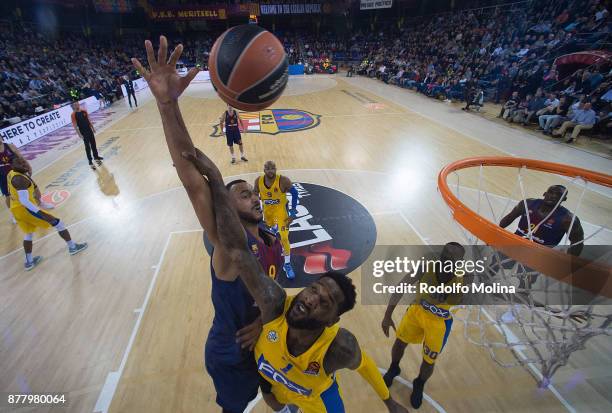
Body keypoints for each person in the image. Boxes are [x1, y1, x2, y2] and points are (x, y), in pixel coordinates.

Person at [183, 147, 409, 413]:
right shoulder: (272, 317)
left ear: (332, 320)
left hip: (317, 403)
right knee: (273, 398)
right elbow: (238, 251)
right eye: (313, 289)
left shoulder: (339, 347)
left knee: (281, 247)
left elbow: (366, 367)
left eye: (325, 302)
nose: (313, 299)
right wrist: (213, 179)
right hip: (276, 390)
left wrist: (390, 403)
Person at [131, 36, 282, 413]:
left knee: (278, 397)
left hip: (267, 336)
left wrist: (268, 318)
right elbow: (190, 175)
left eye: (254, 193)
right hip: (232, 350)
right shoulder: (225, 246)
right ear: (225, 207)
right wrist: (168, 105)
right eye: (244, 194)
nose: (255, 196)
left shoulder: (271, 236)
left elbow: (273, 286)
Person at [381, 243, 465, 409]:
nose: (446, 261)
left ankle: (419, 383)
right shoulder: (426, 267)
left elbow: (460, 298)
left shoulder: (463, 279)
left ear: (459, 263)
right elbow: (401, 286)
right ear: (440, 255)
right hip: (417, 313)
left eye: (452, 259)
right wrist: (387, 315)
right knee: (399, 342)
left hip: (439, 323)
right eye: (444, 256)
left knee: (429, 360)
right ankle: (394, 368)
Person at [8, 157, 87, 270]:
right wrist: (41, 212)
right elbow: (24, 201)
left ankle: (29, 262)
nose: (23, 164)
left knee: (28, 233)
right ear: (13, 166)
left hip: (16, 209)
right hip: (26, 209)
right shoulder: (19, 179)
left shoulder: (11, 173)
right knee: (58, 223)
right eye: (20, 163)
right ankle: (73, 247)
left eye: (24, 161)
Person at [499, 185, 584, 256]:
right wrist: (495, 234)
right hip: (515, 244)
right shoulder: (527, 204)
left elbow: (577, 243)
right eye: (551, 192)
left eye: (558, 195)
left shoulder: (568, 219)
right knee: (495, 265)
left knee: (526, 275)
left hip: (539, 255)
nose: (553, 196)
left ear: (564, 199)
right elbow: (509, 218)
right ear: (544, 194)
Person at [254, 161, 298, 280]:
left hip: (281, 213)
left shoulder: (283, 180)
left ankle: (287, 265)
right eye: (267, 168)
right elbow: (254, 196)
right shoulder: (258, 181)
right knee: (269, 238)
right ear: (264, 170)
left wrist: (293, 212)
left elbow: (295, 193)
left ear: (276, 169)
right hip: (268, 213)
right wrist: (256, 210)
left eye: (272, 168)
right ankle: (273, 229)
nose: (270, 170)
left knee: (284, 238)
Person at [1, 139, 30, 223]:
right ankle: (14, 214)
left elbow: (21, 157)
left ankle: (37, 204)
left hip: (17, 173)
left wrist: (27, 166)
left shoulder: (10, 146)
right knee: (8, 196)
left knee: (27, 189)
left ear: (1, 137)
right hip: (3, 176)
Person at [71, 102, 103, 169]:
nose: (77, 105)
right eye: (75, 105)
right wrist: (79, 134)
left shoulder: (84, 111)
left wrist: (93, 128)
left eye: (77, 104)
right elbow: (75, 126)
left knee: (93, 144)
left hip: (89, 130)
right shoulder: (73, 114)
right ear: (73, 106)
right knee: (87, 147)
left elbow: (88, 120)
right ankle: (90, 161)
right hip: (83, 132)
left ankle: (96, 157)